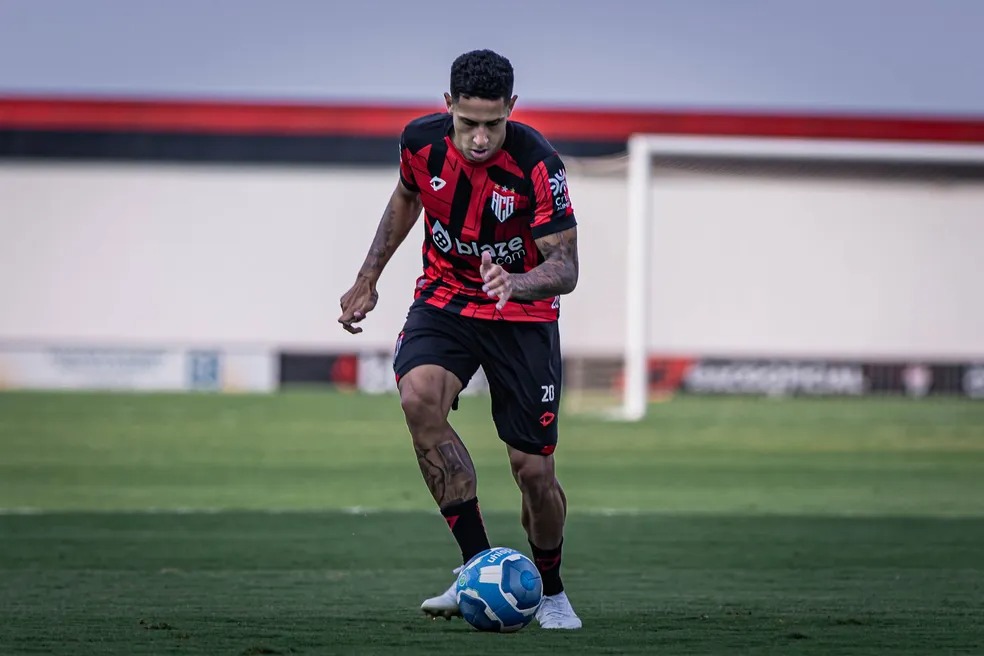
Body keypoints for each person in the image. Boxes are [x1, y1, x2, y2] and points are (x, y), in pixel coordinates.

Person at [337, 49, 581, 630]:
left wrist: (518, 281)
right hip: (446, 301)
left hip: (520, 318)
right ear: (447, 106)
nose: (477, 138)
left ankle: (550, 590)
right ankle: (478, 567)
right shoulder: (419, 143)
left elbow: (567, 267)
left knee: (533, 473)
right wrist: (368, 276)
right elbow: (405, 197)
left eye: (492, 124)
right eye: (467, 122)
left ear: (511, 111)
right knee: (418, 397)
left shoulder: (539, 165)